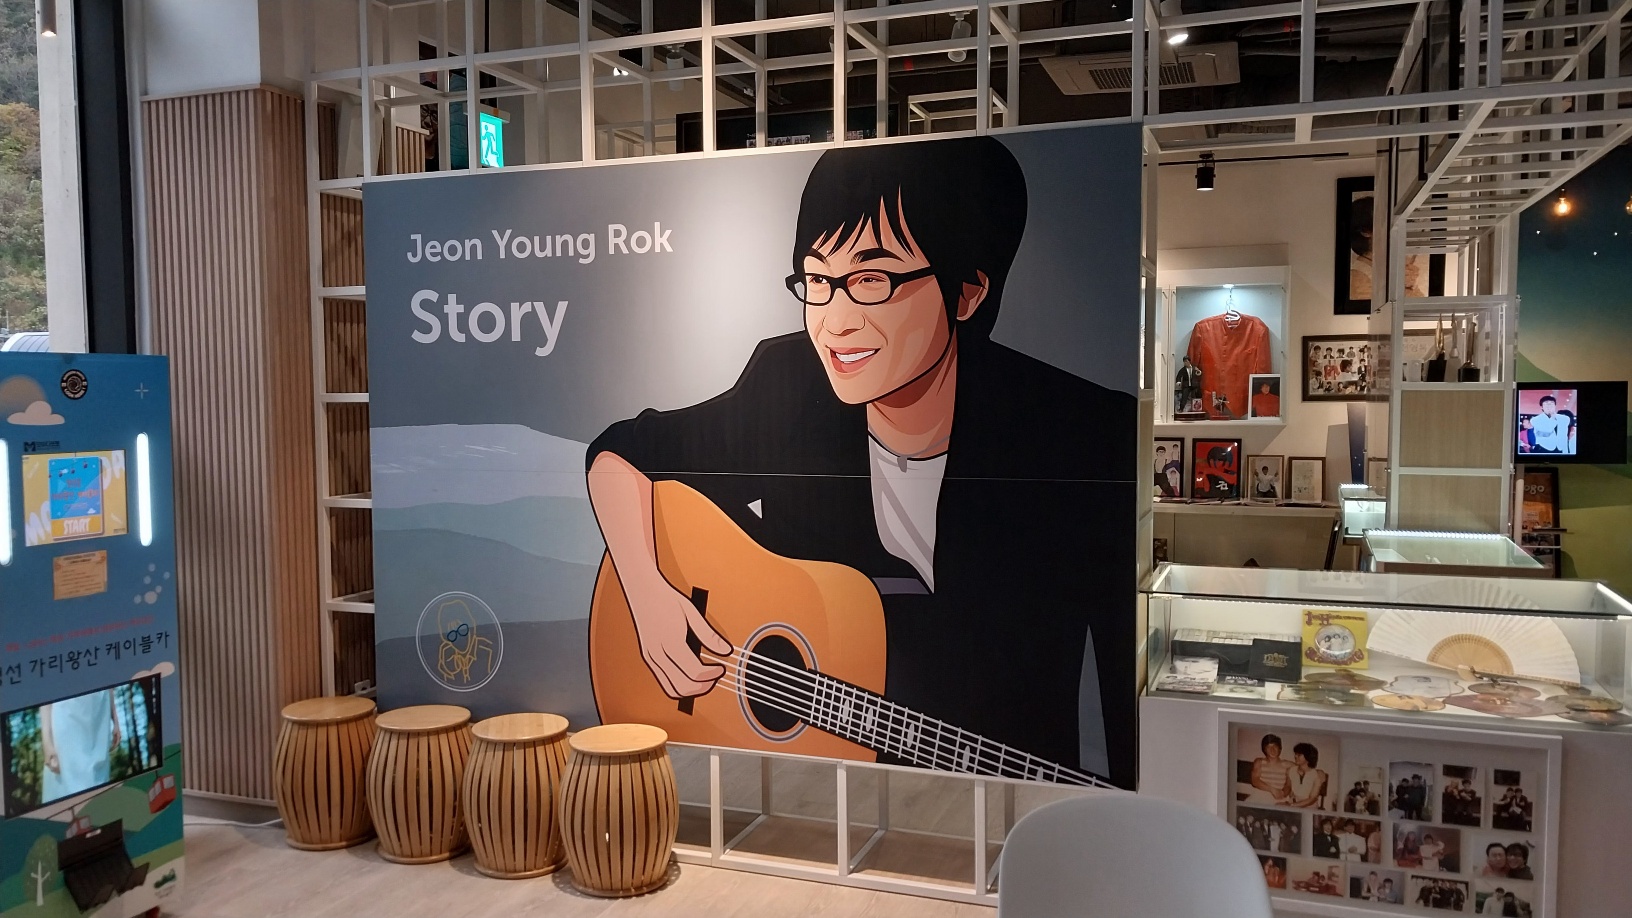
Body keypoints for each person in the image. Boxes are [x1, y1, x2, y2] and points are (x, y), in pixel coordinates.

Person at [584, 138, 1137, 781]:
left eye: (871, 281)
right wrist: (648, 595)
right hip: (808, 792)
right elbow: (621, 453)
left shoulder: (1081, 434)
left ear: (967, 292)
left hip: (1002, 801)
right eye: (818, 282)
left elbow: (1124, 687)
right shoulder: (789, 382)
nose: (834, 322)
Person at [40, 689, 121, 804]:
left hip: (99, 717)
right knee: (68, 787)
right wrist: (47, 743)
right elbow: (45, 688)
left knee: (99, 788)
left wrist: (115, 719)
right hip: (67, 712)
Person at [1246, 734, 1292, 804]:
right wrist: (1272, 790)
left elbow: (1288, 785)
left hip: (1279, 796)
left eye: (1275, 746)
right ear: (1264, 750)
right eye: (1268, 747)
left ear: (1280, 749)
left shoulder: (1288, 765)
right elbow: (1255, 781)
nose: (1272, 750)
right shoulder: (1259, 762)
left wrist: (1283, 793)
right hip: (1261, 795)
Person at [1288, 742, 1328, 808]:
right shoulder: (1292, 770)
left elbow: (1312, 799)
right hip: (1293, 805)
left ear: (1308, 757)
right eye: (1295, 754)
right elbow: (1288, 791)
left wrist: (1291, 806)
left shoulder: (1317, 774)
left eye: (1299, 755)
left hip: (1309, 808)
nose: (1295, 756)